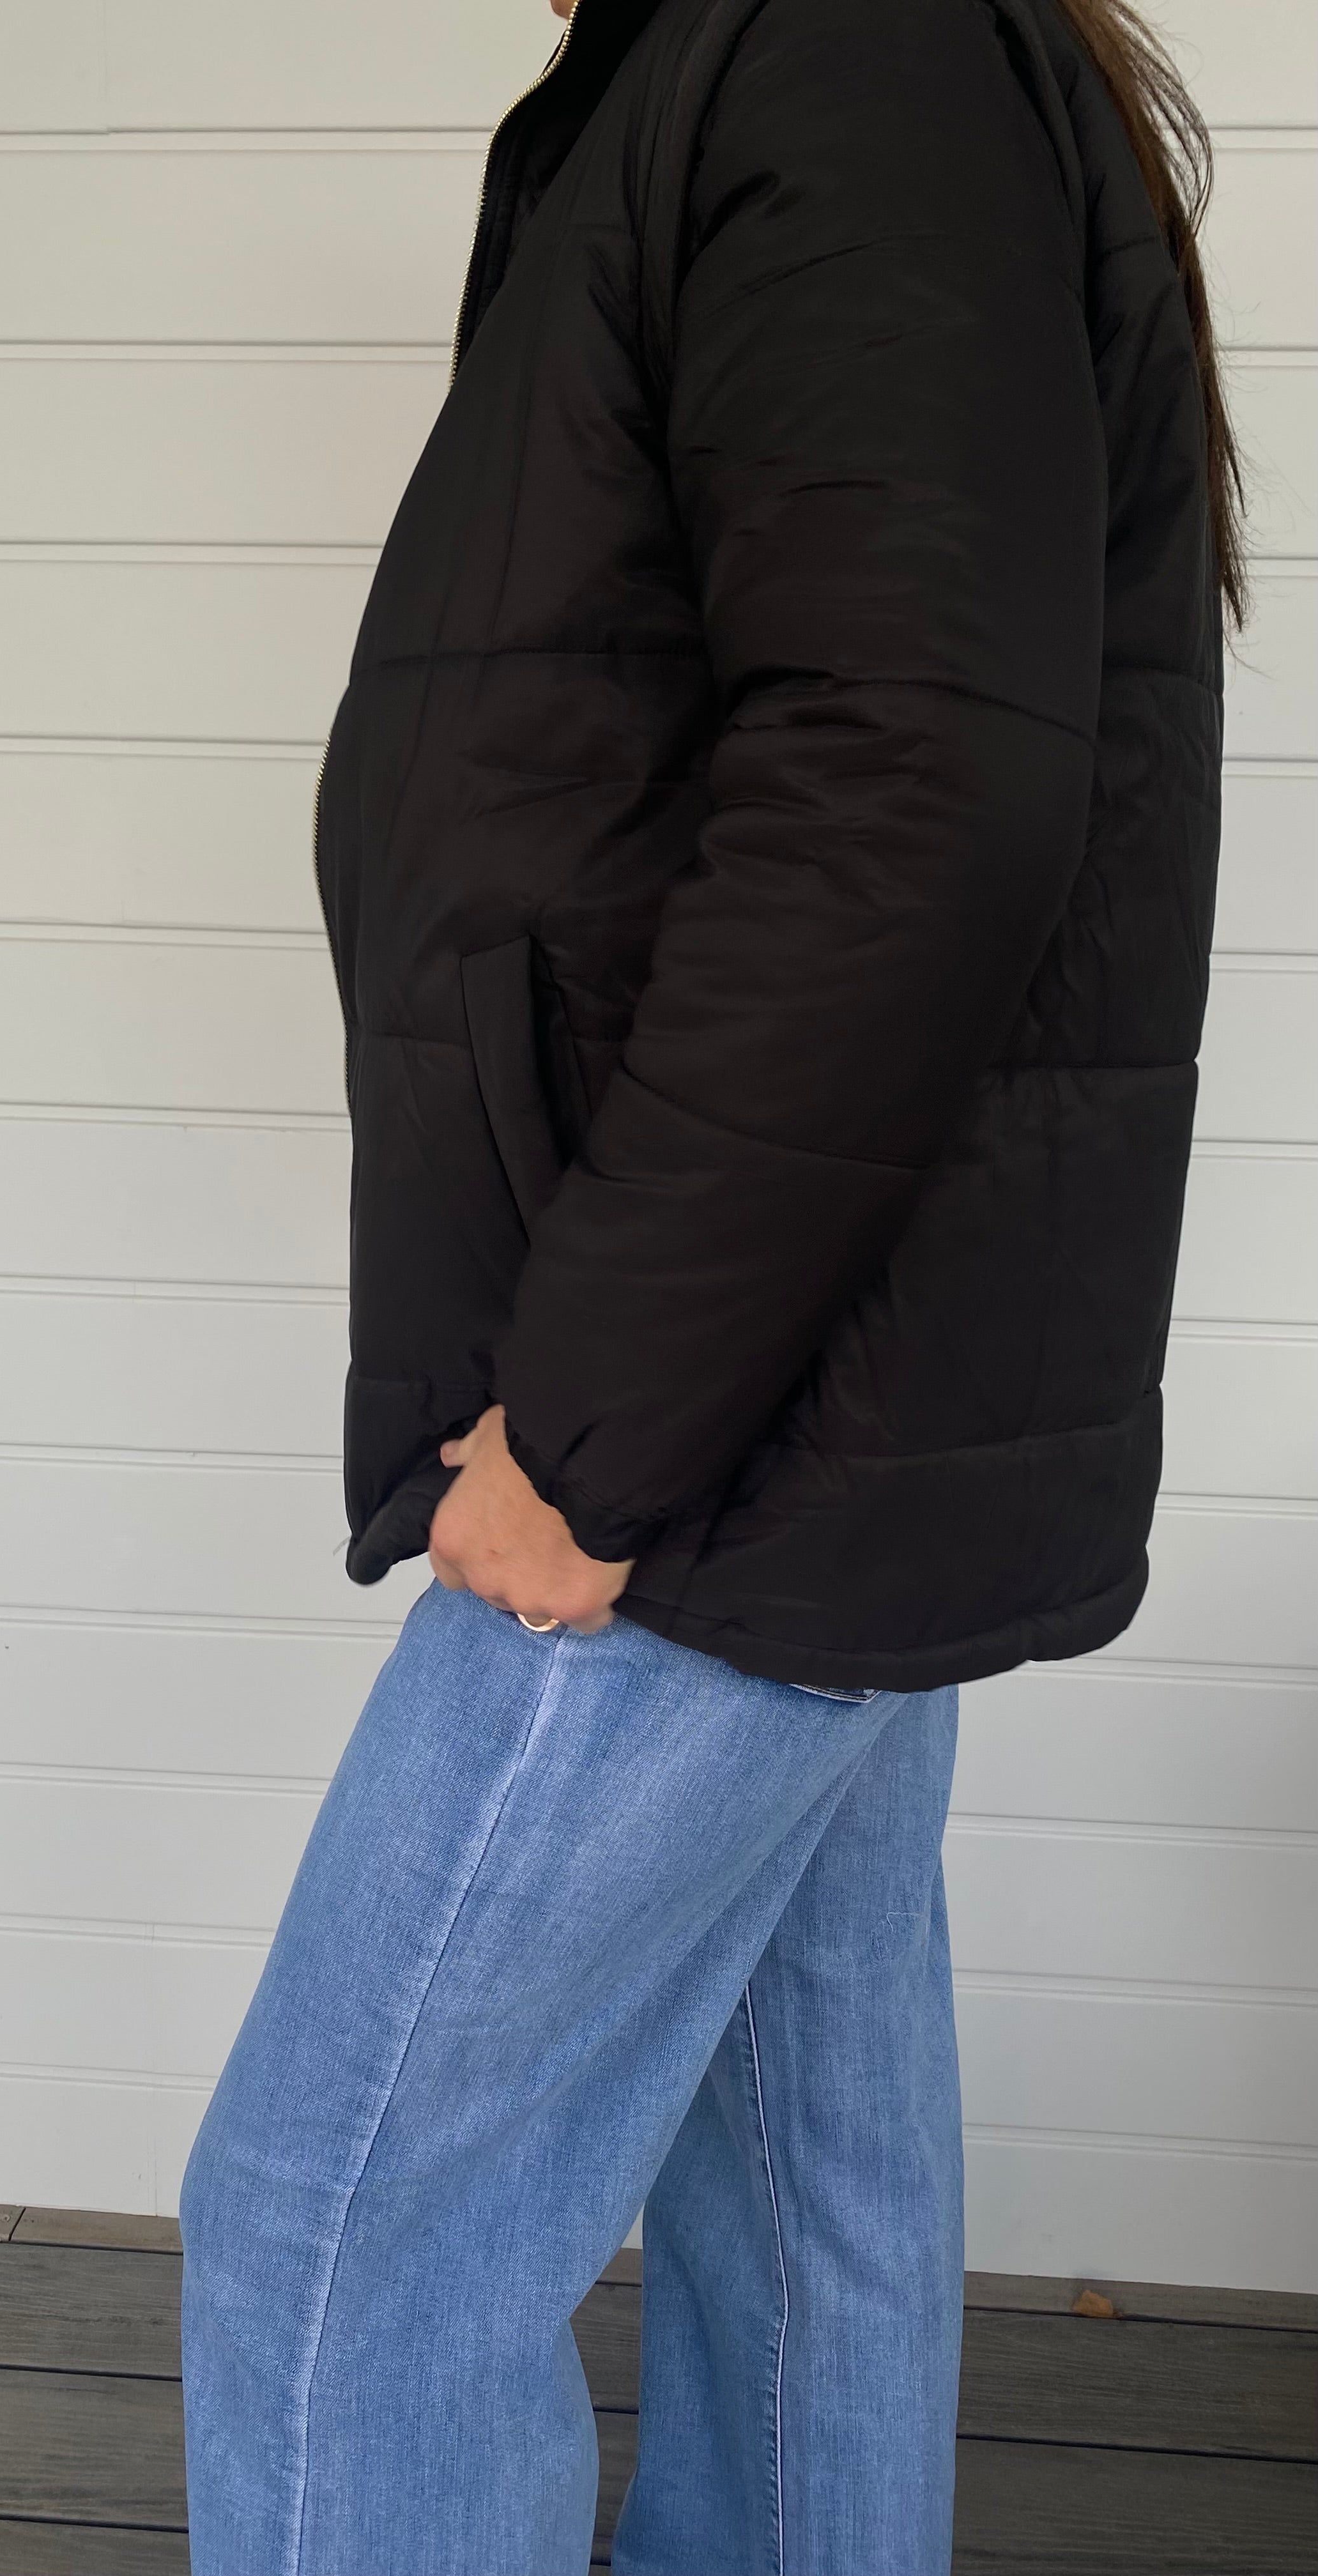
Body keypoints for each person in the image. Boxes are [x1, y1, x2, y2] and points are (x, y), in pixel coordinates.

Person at [179, 0, 1242, 2566]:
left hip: (739, 1420)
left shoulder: (832, 50)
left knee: (336, 2235)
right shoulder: (793, 60)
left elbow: (904, 788)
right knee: (806, 2201)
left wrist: (590, 1431)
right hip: (833, 1380)